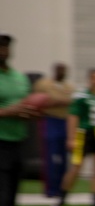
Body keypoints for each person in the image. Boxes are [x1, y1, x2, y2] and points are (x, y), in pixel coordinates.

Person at [51, 69, 95, 206]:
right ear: (90, 79)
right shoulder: (81, 96)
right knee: (76, 168)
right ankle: (61, 199)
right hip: (83, 133)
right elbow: (73, 117)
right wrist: (71, 137)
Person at [0, 33, 40, 206]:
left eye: (5, 47)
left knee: (10, 204)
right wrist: (8, 112)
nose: (3, 51)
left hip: (17, 146)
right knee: (0, 204)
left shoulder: (18, 78)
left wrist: (31, 112)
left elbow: (26, 105)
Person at [32, 62, 75, 198]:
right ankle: (50, 189)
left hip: (65, 122)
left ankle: (61, 188)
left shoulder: (69, 87)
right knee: (50, 155)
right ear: (55, 70)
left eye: (64, 70)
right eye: (60, 70)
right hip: (50, 120)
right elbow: (37, 101)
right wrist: (57, 102)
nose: (62, 72)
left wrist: (56, 101)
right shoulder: (43, 84)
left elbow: (72, 103)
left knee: (63, 157)